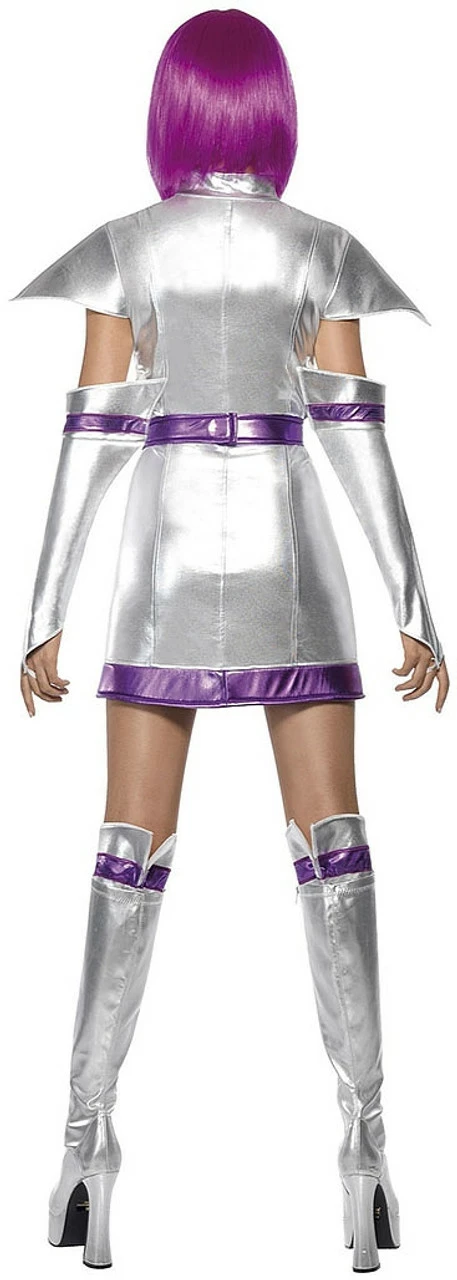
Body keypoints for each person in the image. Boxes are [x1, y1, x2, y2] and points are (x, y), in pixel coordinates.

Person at [12, 8, 449, 1273]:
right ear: (273, 109)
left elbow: (94, 432)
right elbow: (356, 431)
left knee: (128, 849)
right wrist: (412, 599)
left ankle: (85, 1145)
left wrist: (43, 608)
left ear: (169, 110)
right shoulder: (319, 248)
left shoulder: (125, 249)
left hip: (161, 563)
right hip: (288, 551)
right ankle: (367, 1150)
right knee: (334, 845)